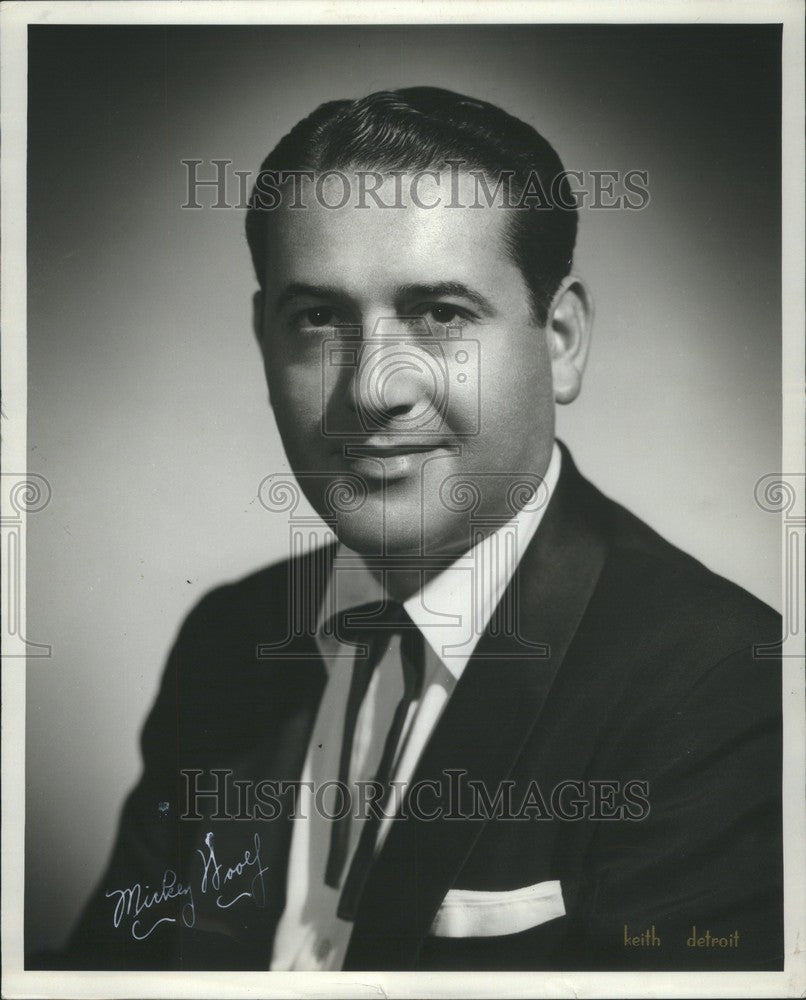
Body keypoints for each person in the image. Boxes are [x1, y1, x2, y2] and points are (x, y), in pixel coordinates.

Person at [45, 87, 782, 972]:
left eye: (441, 315)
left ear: (561, 341)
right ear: (262, 342)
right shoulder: (229, 639)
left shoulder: (721, 686)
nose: (372, 390)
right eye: (319, 319)